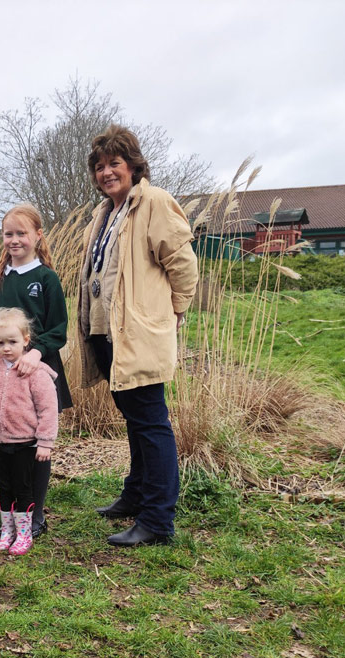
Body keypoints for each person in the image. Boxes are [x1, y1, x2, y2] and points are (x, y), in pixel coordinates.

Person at [78, 124, 198, 547]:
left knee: (151, 423)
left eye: (114, 163)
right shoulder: (106, 212)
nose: (106, 172)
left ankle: (158, 521)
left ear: (132, 165)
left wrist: (172, 313)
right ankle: (136, 495)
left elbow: (183, 267)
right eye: (99, 166)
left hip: (138, 334)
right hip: (108, 334)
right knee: (135, 419)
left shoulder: (155, 203)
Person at [0, 204, 71, 539]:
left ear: (37, 236)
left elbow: (59, 328)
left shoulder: (46, 278)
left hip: (37, 370)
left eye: (21, 233)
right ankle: (13, 510)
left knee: (35, 447)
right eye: (9, 234)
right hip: (3, 371)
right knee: (8, 448)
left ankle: (36, 513)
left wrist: (36, 352)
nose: (15, 240)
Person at [0, 308, 58, 556]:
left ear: (26, 340)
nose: (6, 348)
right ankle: (6, 531)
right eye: (0, 343)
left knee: (23, 488)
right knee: (4, 486)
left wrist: (45, 442)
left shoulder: (35, 372)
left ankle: (24, 533)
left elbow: (48, 409)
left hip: (24, 443)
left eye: (13, 342)